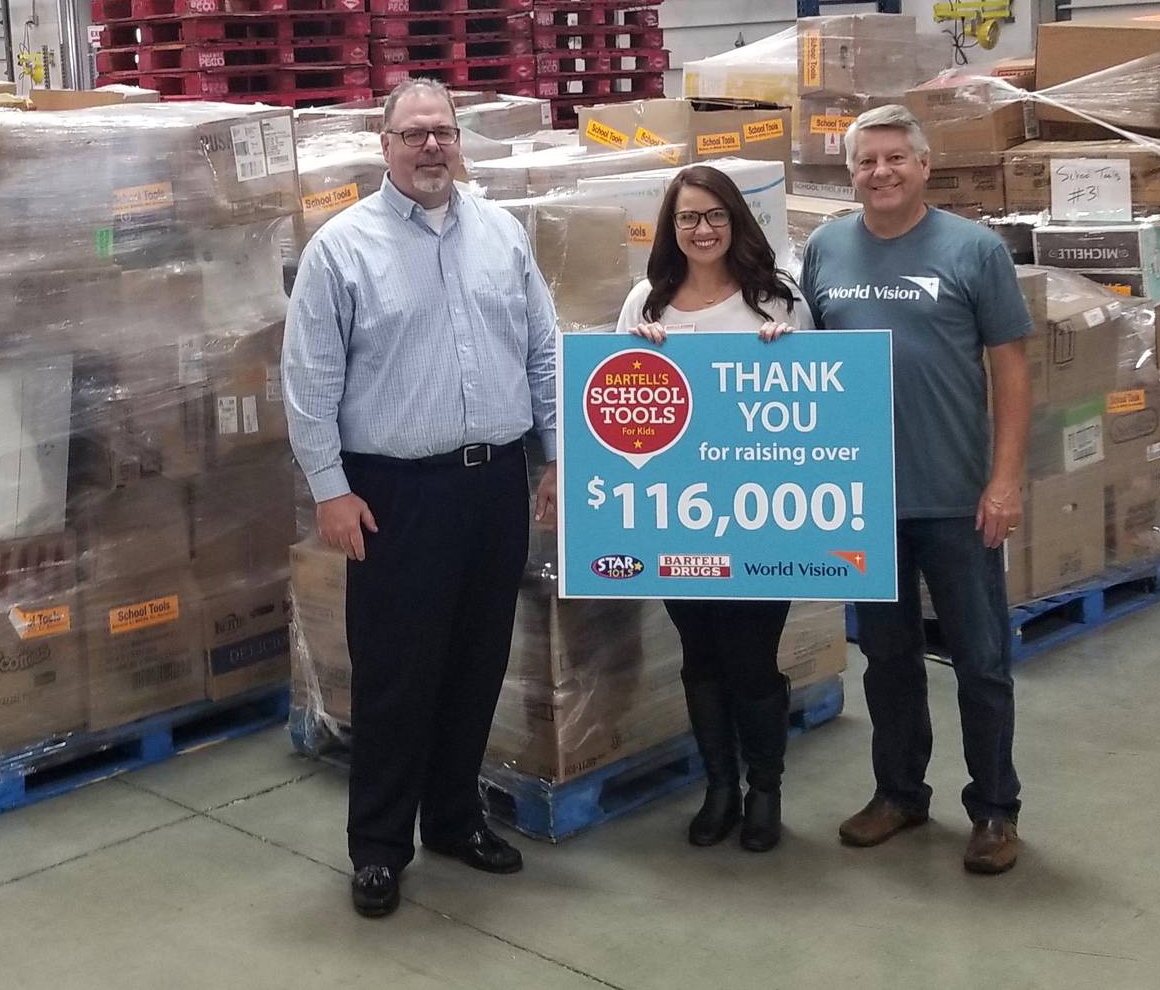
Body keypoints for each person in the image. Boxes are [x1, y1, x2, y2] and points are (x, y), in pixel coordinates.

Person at [282, 77, 562, 918]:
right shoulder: (342, 248)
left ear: (459, 141)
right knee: (398, 677)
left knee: (477, 665)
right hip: (395, 494)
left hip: (495, 485)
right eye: (414, 134)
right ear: (386, 144)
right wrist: (331, 491)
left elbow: (543, 353)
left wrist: (553, 456)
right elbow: (308, 381)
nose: (431, 146)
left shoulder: (502, 234)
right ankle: (377, 847)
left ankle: (452, 818)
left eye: (442, 131)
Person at [798, 104, 1034, 876]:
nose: (881, 173)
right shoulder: (826, 248)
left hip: (958, 499)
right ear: (851, 171)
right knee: (888, 661)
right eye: (866, 161)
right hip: (866, 502)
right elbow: (810, 367)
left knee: (981, 661)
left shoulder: (974, 250)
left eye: (896, 158)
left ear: (924, 165)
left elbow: (1011, 370)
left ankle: (995, 809)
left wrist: (1003, 481)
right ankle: (899, 793)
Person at [614, 165, 815, 853]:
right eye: (687, 218)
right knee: (699, 655)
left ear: (737, 221)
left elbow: (821, 407)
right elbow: (614, 408)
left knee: (751, 658)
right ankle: (719, 786)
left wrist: (787, 360)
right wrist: (635, 358)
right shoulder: (647, 303)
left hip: (761, 523)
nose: (702, 230)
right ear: (671, 230)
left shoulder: (777, 301)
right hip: (680, 518)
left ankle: (765, 789)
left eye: (715, 216)